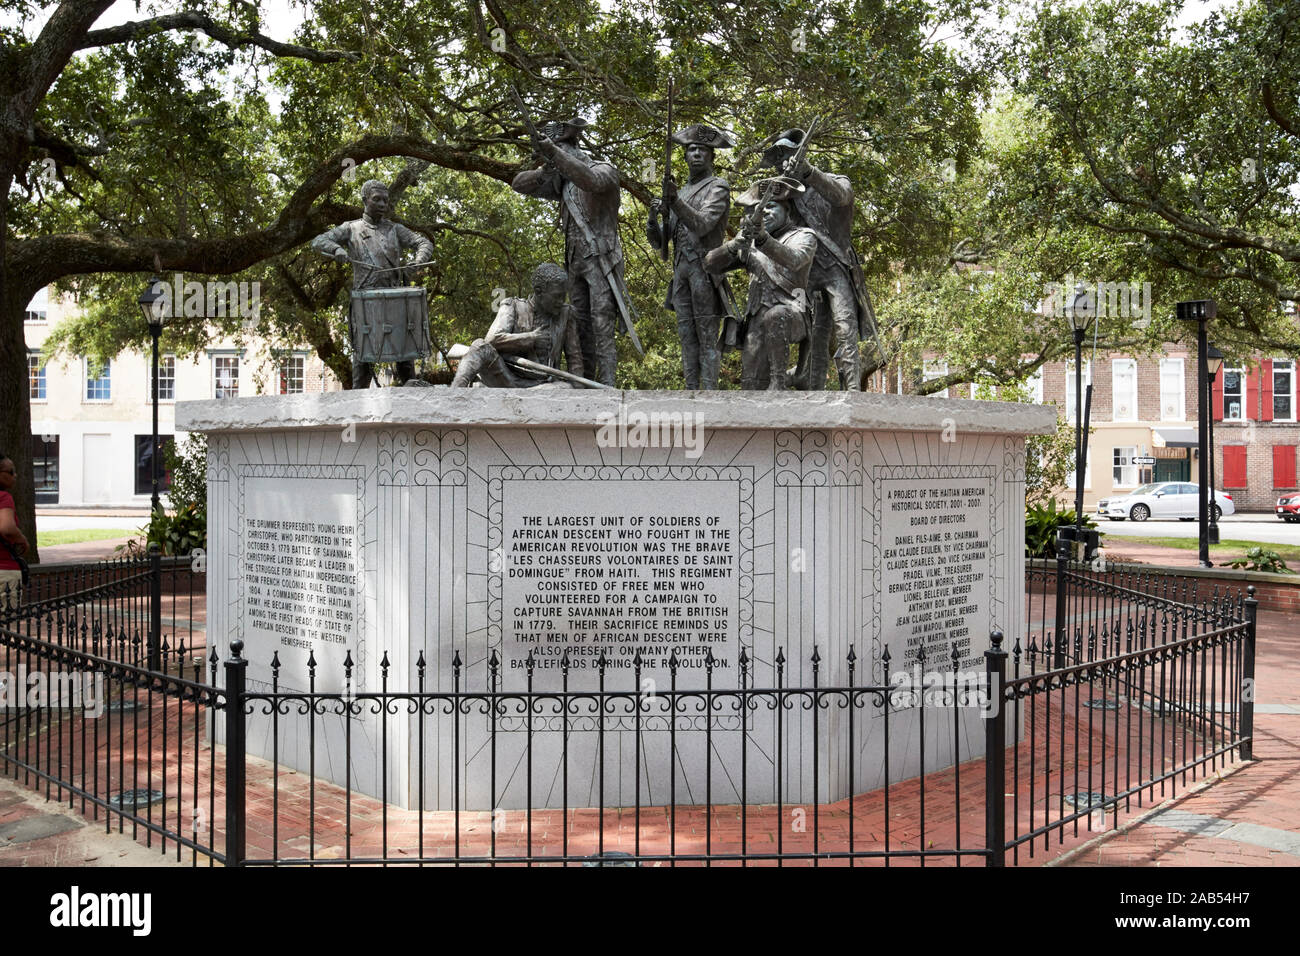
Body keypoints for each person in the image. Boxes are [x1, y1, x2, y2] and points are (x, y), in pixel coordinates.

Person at [760, 129, 882, 390]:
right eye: (779, 158)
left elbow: (842, 196)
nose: (785, 162)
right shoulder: (783, 196)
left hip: (836, 269)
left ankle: (852, 392)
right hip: (805, 274)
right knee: (814, 334)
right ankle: (810, 387)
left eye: (788, 155)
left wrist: (808, 172)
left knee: (845, 327)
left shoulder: (830, 179)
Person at [512, 117, 629, 386]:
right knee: (580, 328)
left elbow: (590, 181)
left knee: (602, 326)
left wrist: (554, 153)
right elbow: (518, 183)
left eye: (559, 151)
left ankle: (609, 387)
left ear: (572, 146)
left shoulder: (604, 169)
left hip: (601, 261)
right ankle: (586, 385)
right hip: (575, 263)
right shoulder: (562, 183)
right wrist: (545, 171)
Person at [311, 179, 434, 388]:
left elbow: (423, 242)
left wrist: (418, 261)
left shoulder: (396, 229)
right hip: (366, 304)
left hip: (395, 302)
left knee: (405, 363)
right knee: (362, 363)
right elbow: (319, 241)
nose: (383, 205)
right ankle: (356, 408)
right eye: (377, 199)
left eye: (385, 201)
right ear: (364, 200)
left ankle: (411, 407)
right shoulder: (351, 229)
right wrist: (337, 250)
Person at [704, 178, 817, 390]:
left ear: (787, 210)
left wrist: (763, 239)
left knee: (776, 315)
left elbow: (794, 259)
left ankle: (779, 383)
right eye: (758, 209)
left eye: (770, 206)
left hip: (794, 311)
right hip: (756, 319)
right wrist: (733, 245)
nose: (763, 212)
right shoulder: (750, 244)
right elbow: (710, 264)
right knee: (751, 385)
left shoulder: (803, 235)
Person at [646, 123, 736, 389]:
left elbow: (703, 224)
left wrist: (674, 201)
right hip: (681, 273)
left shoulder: (718, 187)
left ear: (712, 156)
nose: (696, 153)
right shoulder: (680, 192)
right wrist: (654, 218)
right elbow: (660, 242)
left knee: (707, 336)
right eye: (691, 149)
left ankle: (709, 393)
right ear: (684, 156)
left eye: (703, 150)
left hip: (706, 271)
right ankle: (690, 390)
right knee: (686, 336)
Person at [451, 263, 586, 388]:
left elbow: (575, 359)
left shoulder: (566, 314)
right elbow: (492, 340)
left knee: (565, 387)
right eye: (557, 296)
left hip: (542, 386)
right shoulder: (513, 306)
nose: (561, 301)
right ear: (539, 292)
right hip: (507, 379)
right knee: (480, 346)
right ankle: (454, 392)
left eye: (563, 296)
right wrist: (530, 338)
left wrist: (579, 393)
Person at [0, 455, 30, 611]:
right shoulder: (4, 497)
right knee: (6, 626)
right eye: (11, 471)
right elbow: (7, 528)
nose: (15, 475)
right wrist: (22, 539)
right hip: (4, 570)